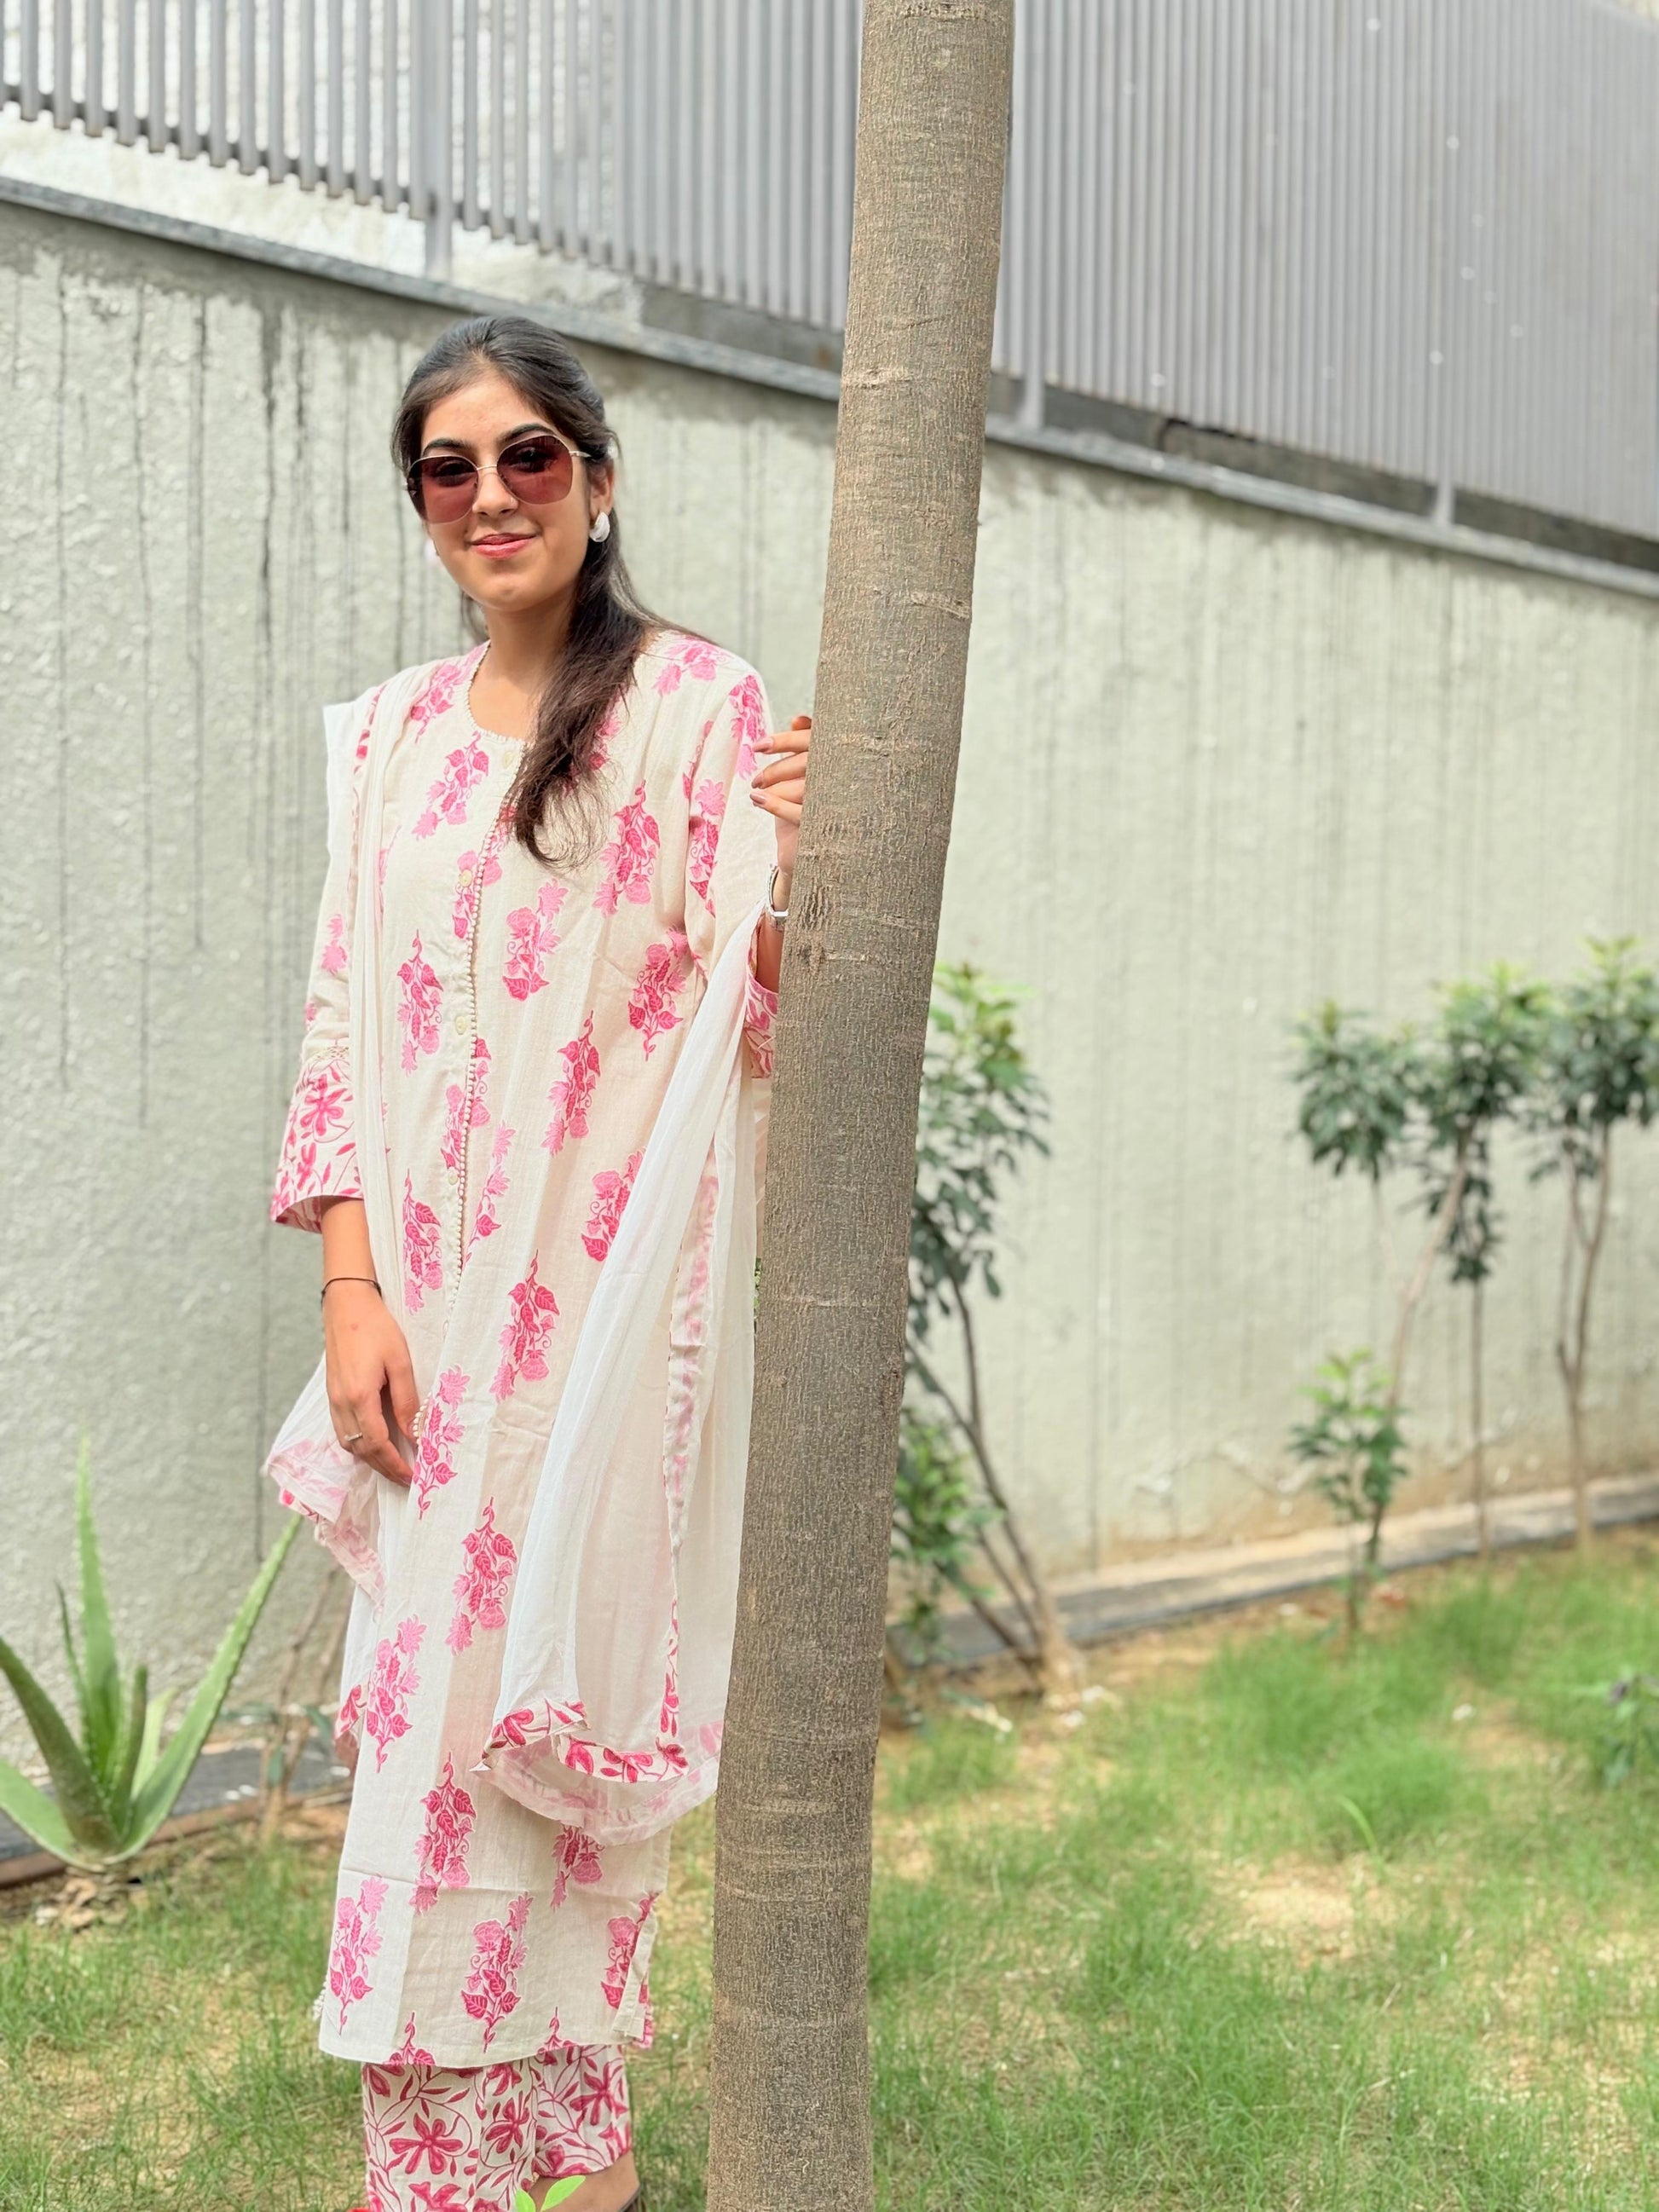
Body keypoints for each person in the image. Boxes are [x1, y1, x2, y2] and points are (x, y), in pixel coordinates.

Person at [260, 312, 812, 2212]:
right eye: (448, 467)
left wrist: (801, 866)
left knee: (542, 1721)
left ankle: (571, 2157)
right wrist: (349, 1291)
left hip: (595, 1329)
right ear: (420, 502)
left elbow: (754, 1006)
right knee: (430, 1740)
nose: (489, 495)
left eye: (527, 458)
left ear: (595, 479)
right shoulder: (394, 738)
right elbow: (341, 1024)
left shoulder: (694, 707)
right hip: (422, 1322)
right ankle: (451, 2169)